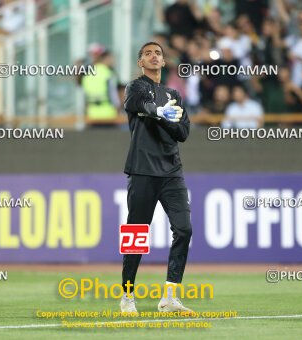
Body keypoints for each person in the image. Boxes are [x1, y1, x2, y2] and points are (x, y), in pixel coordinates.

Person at [121, 42, 193, 314]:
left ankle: (170, 296)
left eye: (158, 53)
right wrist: (159, 112)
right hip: (142, 170)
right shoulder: (135, 87)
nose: (154, 56)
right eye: (148, 53)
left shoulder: (173, 93)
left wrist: (168, 119)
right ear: (141, 62)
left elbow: (183, 132)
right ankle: (127, 296)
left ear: (164, 62)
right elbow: (137, 104)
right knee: (136, 235)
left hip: (172, 172)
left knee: (184, 229)